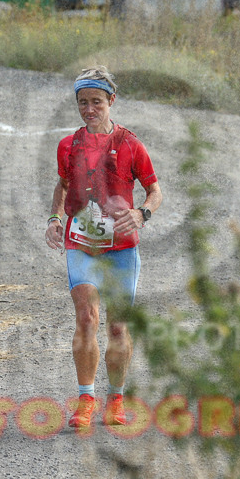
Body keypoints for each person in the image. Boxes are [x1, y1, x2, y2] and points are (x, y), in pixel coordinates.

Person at [45, 66, 162, 428]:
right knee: (86, 317)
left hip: (121, 248)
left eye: (96, 101)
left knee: (116, 327)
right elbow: (63, 186)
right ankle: (85, 399)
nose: (89, 109)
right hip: (81, 244)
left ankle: (116, 398)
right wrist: (54, 220)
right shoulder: (68, 144)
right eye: (83, 103)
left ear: (111, 101)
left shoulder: (130, 144)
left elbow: (155, 191)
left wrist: (142, 214)